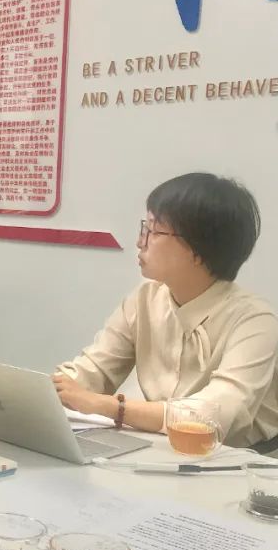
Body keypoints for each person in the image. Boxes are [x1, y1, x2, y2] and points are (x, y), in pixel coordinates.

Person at [54, 172, 278, 449]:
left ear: (198, 250)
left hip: (240, 459)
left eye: (154, 231)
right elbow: (96, 369)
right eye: (144, 228)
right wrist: (43, 391)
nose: (140, 242)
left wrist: (108, 406)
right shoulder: (146, 298)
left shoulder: (255, 321)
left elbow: (214, 415)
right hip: (162, 448)